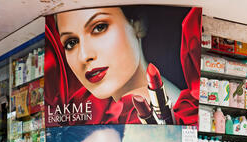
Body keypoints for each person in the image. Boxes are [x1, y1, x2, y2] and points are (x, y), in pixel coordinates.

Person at [45, 6, 201, 125]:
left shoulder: (185, 113)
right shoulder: (104, 115)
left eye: (99, 27)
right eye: (71, 43)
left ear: (139, 25)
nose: (84, 56)